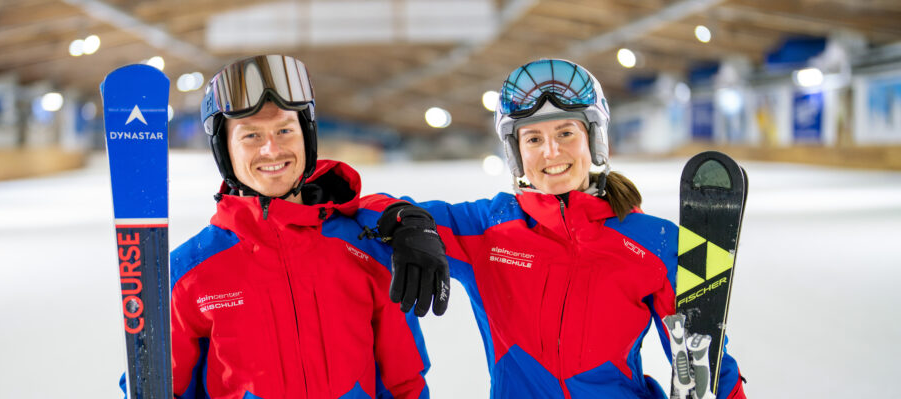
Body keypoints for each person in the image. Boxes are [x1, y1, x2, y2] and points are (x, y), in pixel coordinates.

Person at [363, 59, 746, 398]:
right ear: (516, 153)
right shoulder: (485, 228)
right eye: (533, 139)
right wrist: (406, 220)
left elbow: (709, 359)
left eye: (566, 133)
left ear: (593, 139)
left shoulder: (655, 241)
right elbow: (364, 214)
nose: (551, 152)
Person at [168, 54, 448, 399]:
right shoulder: (188, 273)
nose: (272, 149)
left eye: (285, 130)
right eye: (251, 135)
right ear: (224, 149)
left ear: (307, 136)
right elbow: (161, 385)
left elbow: (404, 382)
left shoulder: (368, 251)